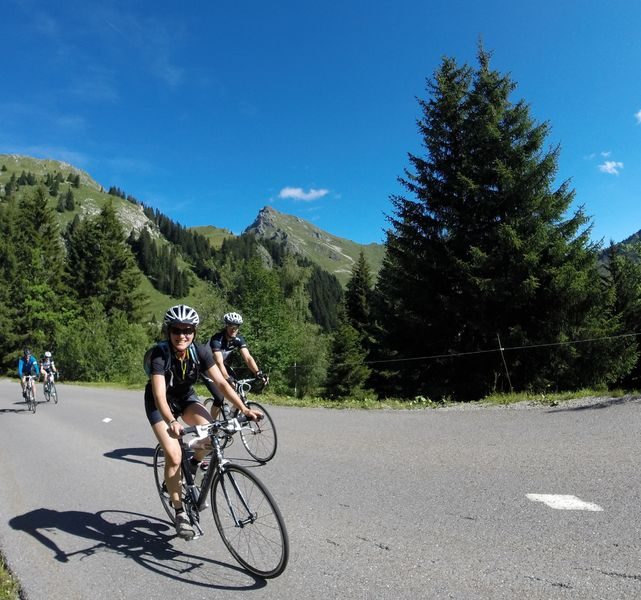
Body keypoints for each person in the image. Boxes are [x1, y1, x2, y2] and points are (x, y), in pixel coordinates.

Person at [145, 304, 262, 540]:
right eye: (177, 330)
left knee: (214, 435)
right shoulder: (160, 354)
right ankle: (179, 513)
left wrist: (243, 408)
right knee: (174, 455)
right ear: (169, 331)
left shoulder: (201, 351)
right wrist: (171, 421)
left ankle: (194, 463)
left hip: (185, 398)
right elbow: (159, 394)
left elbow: (221, 383)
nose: (182, 335)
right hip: (160, 405)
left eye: (187, 330)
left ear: (194, 331)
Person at [204, 312, 269, 411]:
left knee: (238, 389)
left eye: (237, 326)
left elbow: (247, 358)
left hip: (220, 365)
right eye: (231, 326)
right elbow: (218, 362)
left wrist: (258, 372)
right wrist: (227, 378)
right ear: (226, 326)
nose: (234, 329)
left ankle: (232, 415)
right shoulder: (217, 339)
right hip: (207, 367)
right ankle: (212, 425)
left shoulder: (238, 339)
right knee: (219, 398)